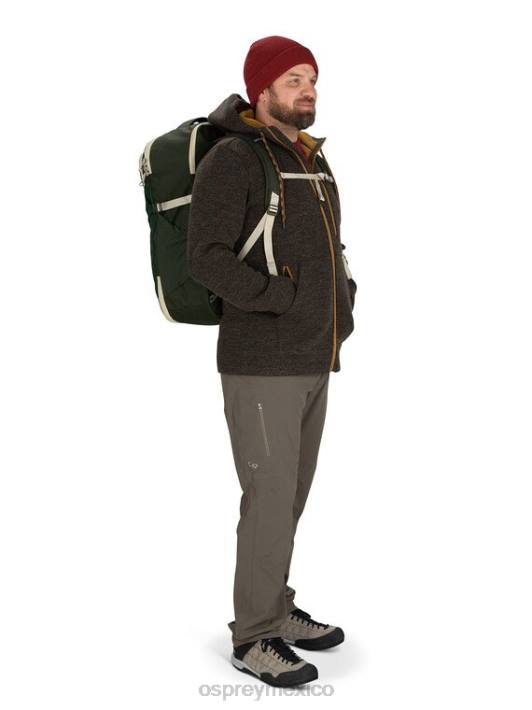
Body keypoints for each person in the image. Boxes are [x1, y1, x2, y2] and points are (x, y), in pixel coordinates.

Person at [187, 35, 357, 688]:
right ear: (262, 89)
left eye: (312, 78)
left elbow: (328, 247)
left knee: (290, 498)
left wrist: (343, 303)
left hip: (315, 354)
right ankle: (254, 637)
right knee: (268, 498)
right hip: (262, 361)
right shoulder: (234, 158)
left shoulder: (311, 157)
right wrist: (279, 299)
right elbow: (207, 257)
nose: (308, 89)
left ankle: (276, 608)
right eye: (293, 79)